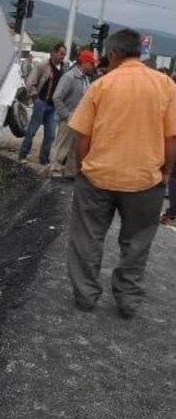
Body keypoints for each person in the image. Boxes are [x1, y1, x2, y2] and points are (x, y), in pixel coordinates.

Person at [66, 28, 176, 319]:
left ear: (114, 54)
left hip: (98, 177)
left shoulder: (101, 85)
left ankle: (86, 295)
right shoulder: (165, 85)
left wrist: (83, 167)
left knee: (87, 237)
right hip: (145, 180)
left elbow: (82, 137)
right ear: (139, 52)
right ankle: (127, 299)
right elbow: (171, 138)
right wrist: (166, 172)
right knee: (137, 242)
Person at [49, 50, 97, 179]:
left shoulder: (85, 79)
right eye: (92, 64)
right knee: (61, 146)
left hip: (78, 120)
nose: (93, 67)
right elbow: (57, 97)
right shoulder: (69, 77)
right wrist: (66, 115)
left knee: (73, 148)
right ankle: (55, 171)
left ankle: (70, 172)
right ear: (85, 63)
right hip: (68, 119)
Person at [19, 43, 67, 165]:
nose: (63, 57)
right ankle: (23, 154)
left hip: (53, 106)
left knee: (50, 134)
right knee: (32, 131)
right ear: (54, 52)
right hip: (42, 103)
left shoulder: (64, 68)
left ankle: (44, 158)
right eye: (61, 53)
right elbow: (30, 82)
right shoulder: (42, 65)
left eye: (64, 55)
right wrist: (36, 98)